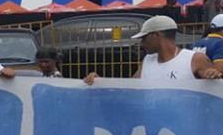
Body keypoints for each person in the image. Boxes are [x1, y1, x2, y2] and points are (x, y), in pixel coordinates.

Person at [85, 15, 221, 83]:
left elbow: (212, 84)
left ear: (157, 35)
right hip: (153, 133)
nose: (142, 43)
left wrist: (211, 74)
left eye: (144, 37)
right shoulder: (147, 61)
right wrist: (99, 81)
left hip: (184, 134)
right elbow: (128, 87)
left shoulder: (194, 59)